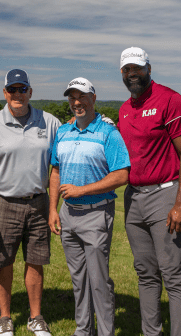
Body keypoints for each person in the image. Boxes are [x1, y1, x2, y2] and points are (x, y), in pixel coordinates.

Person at [0, 69, 61, 336]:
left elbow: (57, 165)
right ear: (5, 93)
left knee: (36, 261)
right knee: (3, 262)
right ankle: (6, 318)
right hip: (1, 201)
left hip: (38, 203)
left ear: (31, 92)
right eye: (12, 89)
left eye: (22, 89)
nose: (17, 94)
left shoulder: (49, 122)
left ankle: (35, 318)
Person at [117, 47, 181, 336]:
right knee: (146, 273)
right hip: (134, 196)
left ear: (149, 69)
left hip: (167, 193)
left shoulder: (170, 99)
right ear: (122, 73)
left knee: (173, 274)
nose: (133, 74)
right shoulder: (125, 109)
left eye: (137, 68)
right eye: (127, 69)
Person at [48, 77, 130, 336]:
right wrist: (52, 209)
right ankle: (83, 330)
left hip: (96, 213)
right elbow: (55, 171)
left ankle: (106, 332)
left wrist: (81, 190)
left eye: (82, 96)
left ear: (93, 98)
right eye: (72, 97)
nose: (76, 102)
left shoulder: (108, 132)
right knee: (78, 280)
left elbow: (121, 175)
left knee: (99, 281)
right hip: (67, 214)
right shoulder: (63, 131)